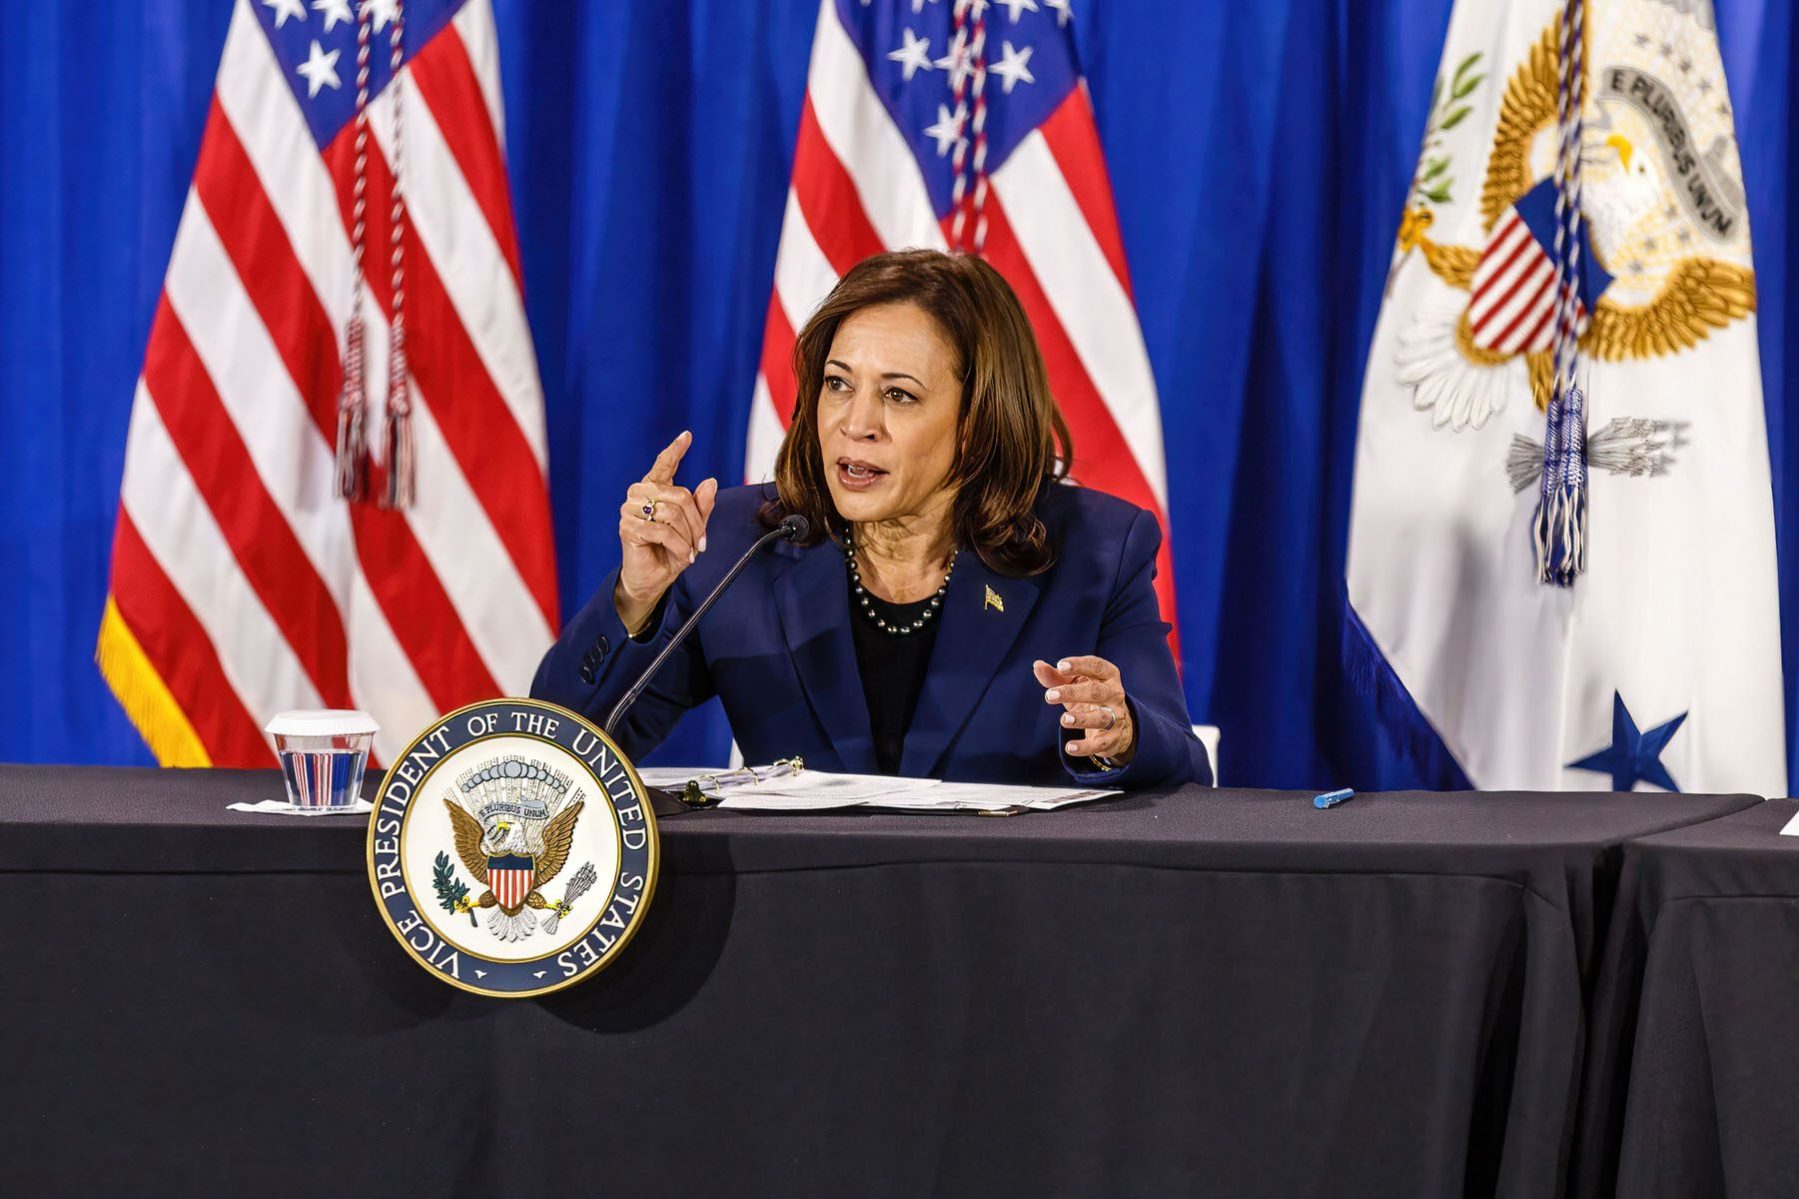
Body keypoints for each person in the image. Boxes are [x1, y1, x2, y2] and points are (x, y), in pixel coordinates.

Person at [531, 249, 1210, 789]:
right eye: (837, 384)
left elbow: (1182, 769)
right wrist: (634, 598)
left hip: (1003, 933)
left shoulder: (1092, 551)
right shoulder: (739, 541)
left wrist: (1121, 734)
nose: (856, 425)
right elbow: (557, 754)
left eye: (898, 395)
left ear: (974, 425)